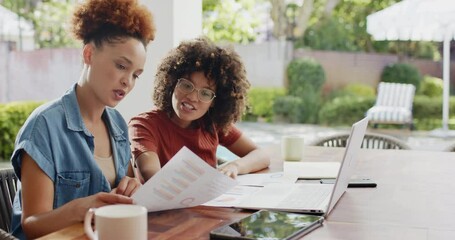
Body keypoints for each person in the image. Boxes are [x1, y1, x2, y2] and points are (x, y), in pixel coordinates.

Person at [9, 0, 155, 239]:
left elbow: (126, 184)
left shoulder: (117, 123)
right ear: (88, 54)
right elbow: (31, 225)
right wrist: (80, 209)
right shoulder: (44, 126)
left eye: (136, 75)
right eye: (121, 66)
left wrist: (132, 186)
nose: (128, 81)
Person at [128, 37, 270, 182]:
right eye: (187, 85)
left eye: (205, 93)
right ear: (171, 83)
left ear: (215, 101)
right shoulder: (144, 125)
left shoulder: (211, 123)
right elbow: (152, 176)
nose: (192, 97)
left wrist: (234, 166)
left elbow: (262, 155)